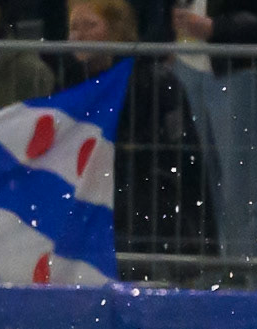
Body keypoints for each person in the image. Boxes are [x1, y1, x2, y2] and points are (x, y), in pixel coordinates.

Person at [65, 0, 212, 258]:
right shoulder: (67, 81)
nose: (79, 34)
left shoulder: (153, 80)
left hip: (146, 203)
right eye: (74, 27)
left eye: (89, 25)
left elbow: (181, 155)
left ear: (115, 30)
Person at [167, 0, 257, 275]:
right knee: (209, 191)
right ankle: (227, 280)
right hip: (187, 66)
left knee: (242, 194)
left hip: (237, 71)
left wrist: (217, 27)